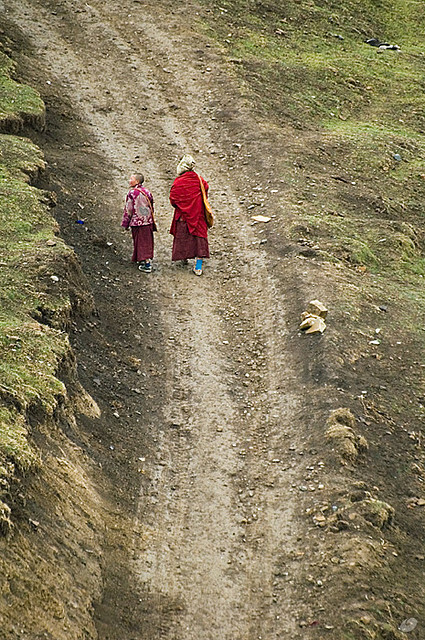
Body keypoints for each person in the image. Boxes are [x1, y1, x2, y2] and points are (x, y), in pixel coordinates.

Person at [169, 155, 210, 276]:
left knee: (183, 237)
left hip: (183, 216)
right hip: (198, 215)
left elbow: (173, 199)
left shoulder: (178, 182)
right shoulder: (199, 180)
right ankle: (198, 266)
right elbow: (205, 191)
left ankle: (184, 258)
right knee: (200, 240)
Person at [121, 173, 156, 273]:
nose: (129, 180)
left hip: (137, 222)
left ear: (137, 181)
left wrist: (125, 223)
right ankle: (142, 260)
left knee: (140, 242)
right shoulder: (147, 192)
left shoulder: (132, 193)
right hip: (147, 221)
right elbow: (151, 206)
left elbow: (129, 210)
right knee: (146, 242)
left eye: (131, 179)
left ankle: (147, 264)